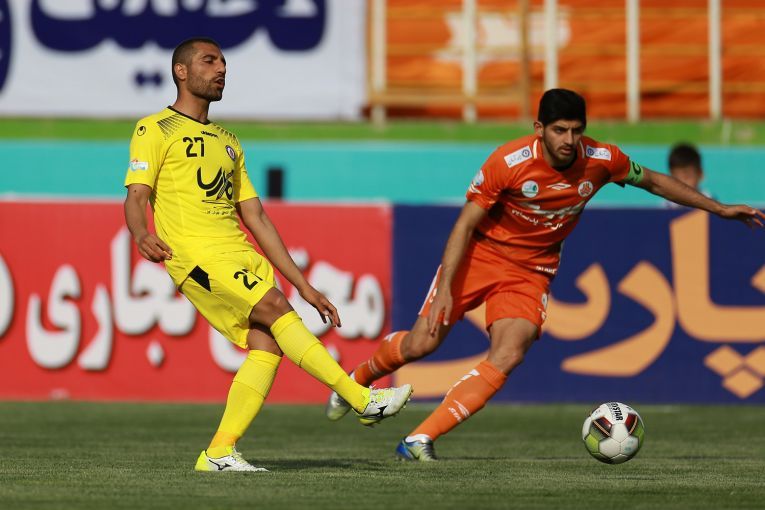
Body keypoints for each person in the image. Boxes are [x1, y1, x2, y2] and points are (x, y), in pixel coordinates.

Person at [325, 88, 765, 461]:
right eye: (559, 130)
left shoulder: (601, 159)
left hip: (531, 270)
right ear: (539, 129)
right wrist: (444, 290)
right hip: (480, 256)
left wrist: (718, 208)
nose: (569, 140)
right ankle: (358, 379)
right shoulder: (508, 162)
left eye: (576, 130)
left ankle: (419, 439)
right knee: (423, 343)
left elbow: (652, 181)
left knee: (509, 354)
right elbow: (464, 224)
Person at [123, 37, 412, 472]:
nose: (221, 69)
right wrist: (140, 233)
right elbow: (136, 195)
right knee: (275, 306)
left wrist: (305, 286)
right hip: (195, 255)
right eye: (209, 61)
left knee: (268, 344)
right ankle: (360, 398)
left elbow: (256, 216)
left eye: (223, 62)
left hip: (238, 253)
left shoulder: (228, 140)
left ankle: (219, 452)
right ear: (181, 71)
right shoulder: (154, 129)